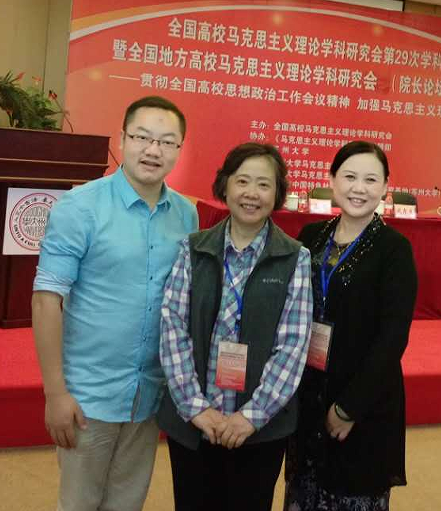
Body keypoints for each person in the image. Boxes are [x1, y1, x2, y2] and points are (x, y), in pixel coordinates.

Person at [32, 95, 198, 511]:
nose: (153, 150)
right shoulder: (80, 206)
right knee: (79, 502)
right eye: (142, 137)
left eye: (167, 141)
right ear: (122, 139)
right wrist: (55, 393)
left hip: (149, 393)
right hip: (88, 394)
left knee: (127, 502)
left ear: (179, 149)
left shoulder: (186, 215)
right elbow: (47, 300)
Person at [158, 142, 313, 511]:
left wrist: (250, 417)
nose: (251, 193)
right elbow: (172, 328)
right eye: (242, 181)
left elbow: (293, 346)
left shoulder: (295, 257)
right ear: (225, 185)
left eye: (264, 184)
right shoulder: (193, 248)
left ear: (277, 193)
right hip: (193, 424)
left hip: (259, 430)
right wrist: (195, 408)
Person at [284, 140, 418, 511]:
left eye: (371, 180)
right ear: (332, 180)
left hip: (362, 397)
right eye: (349, 177)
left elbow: (393, 338)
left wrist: (349, 408)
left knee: (351, 492)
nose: (359, 188)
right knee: (305, 491)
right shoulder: (311, 237)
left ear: (386, 186)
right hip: (310, 390)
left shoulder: (394, 249)